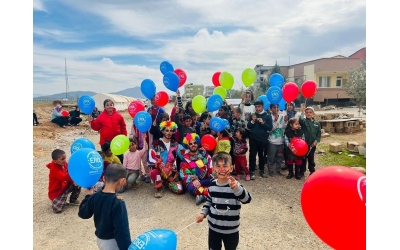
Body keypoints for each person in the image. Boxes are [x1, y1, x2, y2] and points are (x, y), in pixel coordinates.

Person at [195, 152, 252, 250]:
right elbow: (209, 201)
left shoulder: (235, 185)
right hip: (214, 229)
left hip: (231, 231)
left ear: (231, 168)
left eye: (225, 165)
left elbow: (247, 200)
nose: (221, 169)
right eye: (218, 166)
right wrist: (203, 213)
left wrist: (238, 189)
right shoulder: (212, 185)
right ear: (213, 169)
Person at [78, 163, 132, 250]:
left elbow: (83, 213)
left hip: (100, 240)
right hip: (112, 242)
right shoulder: (118, 202)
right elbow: (121, 230)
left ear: (103, 179)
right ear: (122, 181)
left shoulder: (94, 197)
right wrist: (128, 248)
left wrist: (88, 197)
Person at [148, 121, 184, 198]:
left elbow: (185, 155)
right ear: (162, 131)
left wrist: (197, 152)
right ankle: (159, 187)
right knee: (153, 171)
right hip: (159, 169)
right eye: (167, 130)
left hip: (171, 170)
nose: (169, 133)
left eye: (171, 131)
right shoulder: (156, 144)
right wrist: (159, 164)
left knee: (180, 189)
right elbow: (150, 158)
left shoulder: (175, 144)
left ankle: (166, 182)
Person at [88, 99, 127, 163]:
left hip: (117, 141)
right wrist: (92, 122)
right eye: (107, 105)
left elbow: (123, 127)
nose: (109, 106)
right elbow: (96, 127)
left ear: (113, 106)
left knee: (119, 159)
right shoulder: (101, 116)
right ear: (104, 107)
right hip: (106, 142)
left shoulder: (119, 116)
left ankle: (120, 172)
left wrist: (124, 137)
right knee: (107, 160)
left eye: (111, 105)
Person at [179, 133, 214, 205]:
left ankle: (204, 196)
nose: (193, 145)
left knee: (217, 181)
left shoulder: (205, 154)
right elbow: (184, 173)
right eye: (190, 144)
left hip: (207, 179)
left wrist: (213, 175)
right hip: (196, 182)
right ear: (188, 145)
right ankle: (211, 193)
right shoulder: (186, 158)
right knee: (191, 188)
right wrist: (193, 179)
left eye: (194, 143)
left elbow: (211, 166)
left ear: (198, 143)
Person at [46, 149, 81, 213]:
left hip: (64, 186)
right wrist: (73, 170)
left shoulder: (65, 164)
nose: (64, 160)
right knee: (57, 210)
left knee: (78, 184)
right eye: (62, 159)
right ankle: (57, 200)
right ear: (55, 161)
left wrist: (74, 182)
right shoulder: (53, 168)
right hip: (57, 191)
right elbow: (64, 177)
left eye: (65, 158)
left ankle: (73, 200)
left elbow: (69, 172)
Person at [247, 100, 273, 179]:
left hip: (263, 139)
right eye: (256, 107)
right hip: (253, 138)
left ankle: (262, 170)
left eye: (259, 106)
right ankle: (251, 171)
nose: (257, 108)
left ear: (263, 107)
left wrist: (263, 123)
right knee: (252, 155)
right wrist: (252, 121)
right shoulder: (253, 115)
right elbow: (248, 126)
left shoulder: (268, 116)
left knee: (262, 155)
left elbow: (270, 127)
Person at [267, 104, 288, 176]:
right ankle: (271, 170)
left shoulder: (282, 116)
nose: (276, 109)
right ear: (270, 109)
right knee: (271, 157)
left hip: (281, 141)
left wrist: (285, 121)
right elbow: (270, 130)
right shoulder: (269, 117)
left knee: (279, 157)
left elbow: (284, 127)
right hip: (272, 141)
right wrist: (275, 121)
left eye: (277, 107)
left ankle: (278, 169)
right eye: (274, 107)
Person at [299, 107, 321, 177]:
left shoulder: (317, 123)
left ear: (313, 114)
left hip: (312, 144)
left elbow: (319, 133)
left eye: (310, 112)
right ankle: (302, 171)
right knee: (303, 158)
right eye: (307, 112)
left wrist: (316, 141)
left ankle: (312, 170)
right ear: (305, 114)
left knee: (311, 158)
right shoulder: (304, 121)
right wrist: (302, 113)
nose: (308, 114)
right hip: (305, 144)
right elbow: (300, 120)